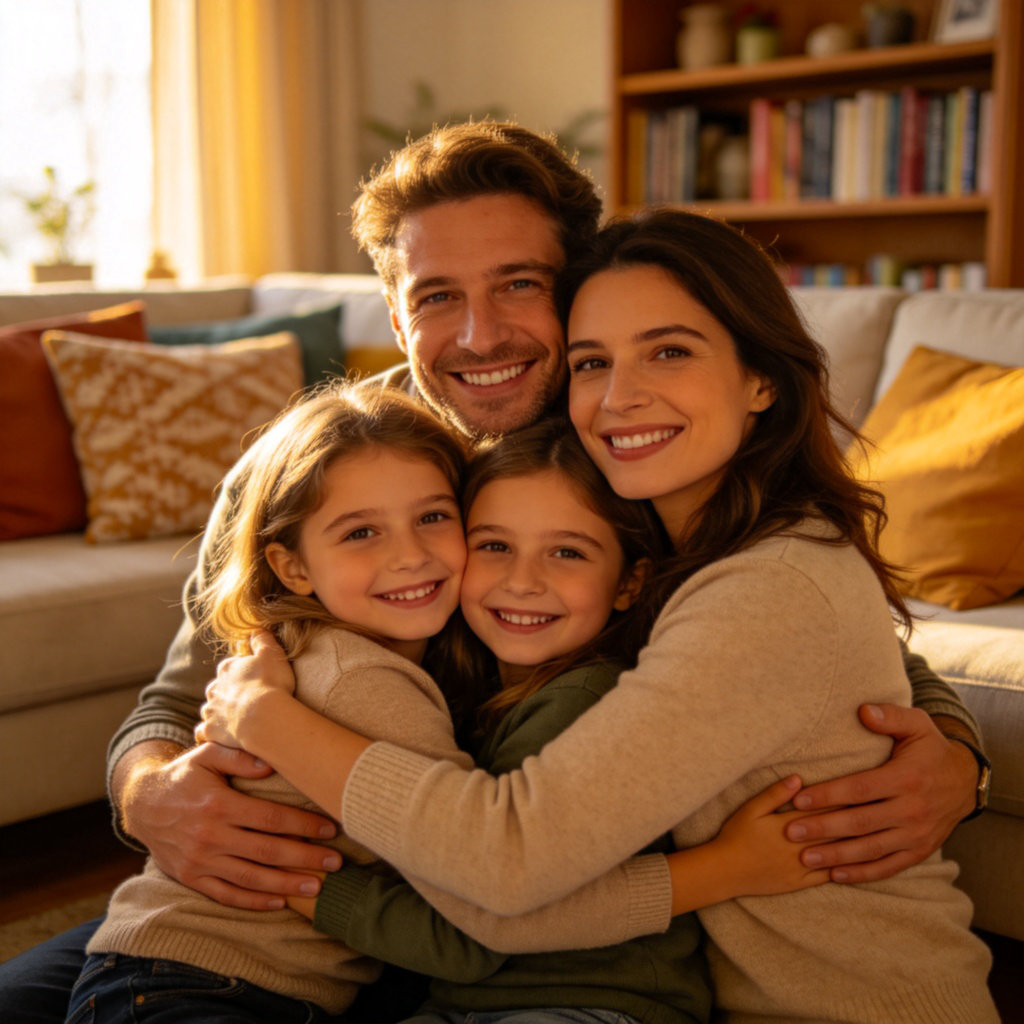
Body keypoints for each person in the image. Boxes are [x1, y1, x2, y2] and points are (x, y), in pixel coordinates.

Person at [0, 122, 986, 1021]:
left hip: (490, 920)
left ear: (575, 288)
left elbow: (813, 633)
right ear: (396, 318)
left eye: (518, 284)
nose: (479, 336)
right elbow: (184, 691)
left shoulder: (631, 454)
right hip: (318, 902)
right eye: (437, 296)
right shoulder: (321, 467)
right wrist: (146, 794)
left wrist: (953, 753)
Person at [67, 390, 823, 1024]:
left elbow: (477, 909)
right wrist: (150, 789)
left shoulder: (343, 656)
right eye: (361, 533)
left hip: (210, 970)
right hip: (207, 984)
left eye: (433, 518)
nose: (409, 556)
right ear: (291, 566)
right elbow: (473, 925)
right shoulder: (365, 681)